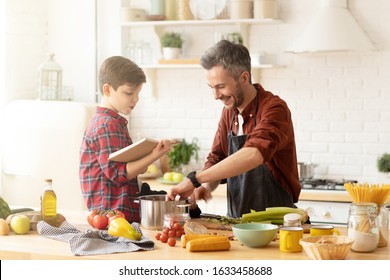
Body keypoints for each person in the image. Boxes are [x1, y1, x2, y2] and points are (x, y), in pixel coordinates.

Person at [167, 40, 301, 218]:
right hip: (237, 223)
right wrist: (204, 188)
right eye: (211, 88)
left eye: (221, 86)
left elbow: (254, 153)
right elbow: (216, 158)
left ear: (244, 78)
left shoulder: (275, 109)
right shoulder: (229, 112)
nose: (216, 96)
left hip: (276, 225)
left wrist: (195, 180)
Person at [80, 56, 173, 223]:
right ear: (107, 90)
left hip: (116, 217)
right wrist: (154, 155)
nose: (135, 99)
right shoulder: (107, 126)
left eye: (137, 93)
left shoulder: (114, 123)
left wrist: (147, 153)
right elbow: (119, 175)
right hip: (111, 217)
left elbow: (127, 167)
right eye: (129, 93)